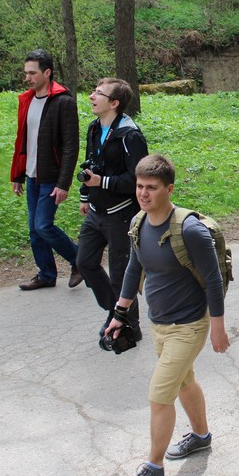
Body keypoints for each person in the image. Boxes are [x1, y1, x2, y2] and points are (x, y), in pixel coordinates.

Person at [106, 154, 230, 476]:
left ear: (169, 189)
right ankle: (201, 436)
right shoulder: (139, 222)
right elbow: (135, 268)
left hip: (189, 326)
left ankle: (154, 467)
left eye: (151, 187)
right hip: (159, 323)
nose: (143, 193)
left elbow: (213, 279)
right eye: (139, 186)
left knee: (160, 394)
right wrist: (119, 313)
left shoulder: (189, 231)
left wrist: (218, 327)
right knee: (184, 381)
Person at [76, 78, 148, 338]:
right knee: (84, 263)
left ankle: (131, 328)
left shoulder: (131, 135)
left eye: (99, 93)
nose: (91, 96)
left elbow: (138, 179)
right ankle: (115, 312)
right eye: (94, 91)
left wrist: (102, 182)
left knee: (120, 276)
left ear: (114, 103)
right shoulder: (95, 127)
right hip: (96, 212)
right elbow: (90, 163)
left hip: (121, 215)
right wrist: (85, 194)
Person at [10, 48, 82, 290]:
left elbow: (71, 146)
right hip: (32, 175)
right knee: (34, 229)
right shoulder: (28, 100)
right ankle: (47, 274)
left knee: (43, 225)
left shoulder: (63, 102)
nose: (27, 78)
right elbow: (23, 140)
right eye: (26, 73)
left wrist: (64, 183)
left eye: (32, 73)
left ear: (47, 72)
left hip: (52, 176)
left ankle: (79, 260)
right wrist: (18, 174)